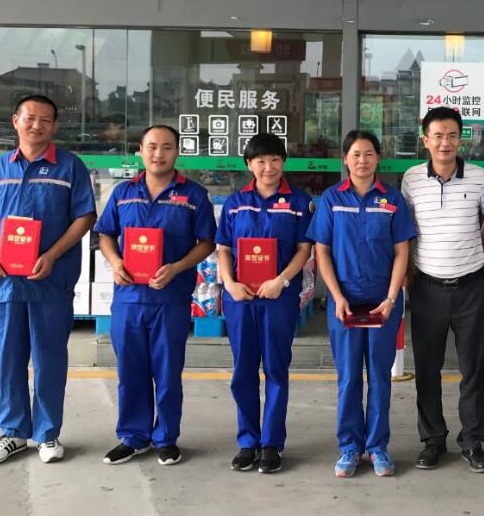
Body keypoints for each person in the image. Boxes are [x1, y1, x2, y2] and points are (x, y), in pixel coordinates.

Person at [0, 94, 97, 465]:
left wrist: (52, 255)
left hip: (50, 281)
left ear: (55, 126)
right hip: (6, 282)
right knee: (9, 359)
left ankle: (47, 434)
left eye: (45, 120)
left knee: (49, 358)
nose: (37, 125)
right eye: (30, 118)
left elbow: (85, 217)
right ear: (15, 121)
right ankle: (13, 433)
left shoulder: (69, 167)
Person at [95, 125, 216, 466]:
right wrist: (116, 262)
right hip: (129, 298)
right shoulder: (122, 192)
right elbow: (106, 234)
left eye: (166, 147)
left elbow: (206, 242)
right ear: (140, 150)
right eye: (151, 146)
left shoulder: (194, 195)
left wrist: (177, 267)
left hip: (170, 298)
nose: (158, 154)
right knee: (130, 371)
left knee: (167, 372)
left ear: (177, 152)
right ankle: (134, 437)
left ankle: (165, 437)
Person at [307, 130, 416, 478]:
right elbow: (322, 251)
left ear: (378, 158)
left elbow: (402, 252)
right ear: (345, 159)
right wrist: (336, 297)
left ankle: (378, 446)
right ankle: (350, 447)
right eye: (355, 154)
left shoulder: (392, 199)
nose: (362, 160)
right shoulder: (332, 198)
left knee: (380, 376)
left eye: (369, 153)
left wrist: (392, 297)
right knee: (350, 376)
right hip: (345, 301)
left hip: (383, 302)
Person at [401, 107, 484, 473]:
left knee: (474, 368)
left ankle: (473, 441)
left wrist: (472, 248)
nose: (445, 142)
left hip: (471, 286)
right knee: (427, 369)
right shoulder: (411, 180)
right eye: (438, 136)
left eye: (452, 135)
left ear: (461, 139)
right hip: (428, 288)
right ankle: (433, 440)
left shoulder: (480, 178)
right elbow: (406, 229)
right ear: (425, 140)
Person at [217, 133, 314, 473]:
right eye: (260, 160)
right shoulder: (235, 202)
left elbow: (304, 249)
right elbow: (224, 248)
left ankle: (271, 443)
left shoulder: (299, 202)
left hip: (278, 298)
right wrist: (229, 284)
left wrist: (281, 281)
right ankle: (248, 441)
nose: (268, 167)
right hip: (241, 299)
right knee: (243, 370)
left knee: (275, 369)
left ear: (283, 162)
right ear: (249, 164)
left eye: (275, 159)